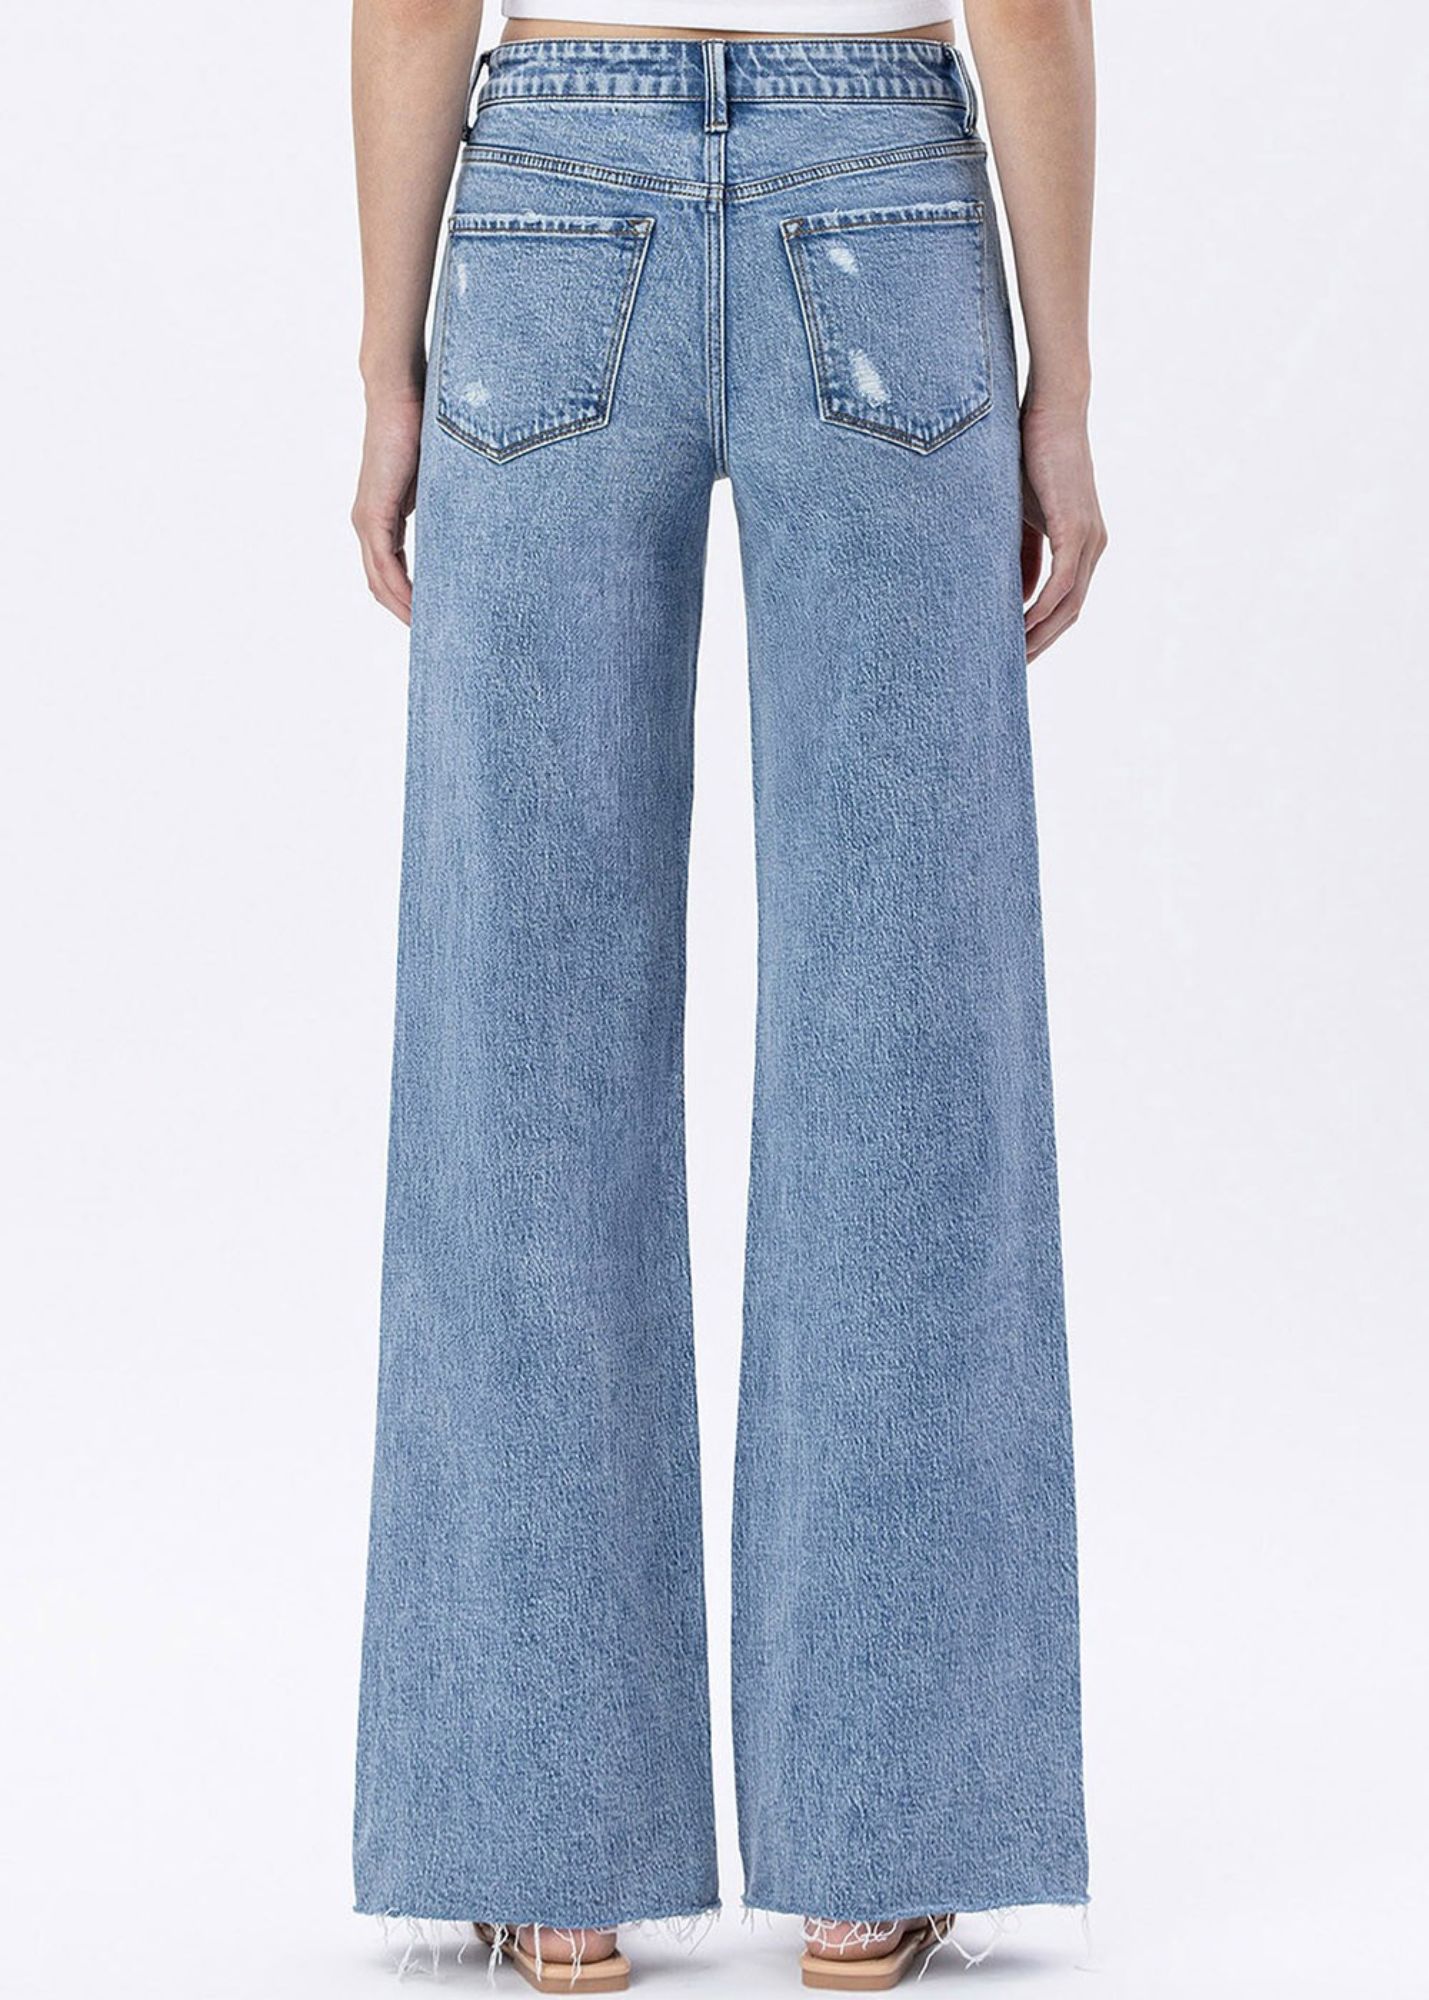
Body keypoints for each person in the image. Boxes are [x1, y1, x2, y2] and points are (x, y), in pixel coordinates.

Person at [350, 0, 1104, 1987]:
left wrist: (383, 369)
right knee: (908, 1037)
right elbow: (1023, 6)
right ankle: (883, 1830)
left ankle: (543, 1840)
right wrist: (1061, 385)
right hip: (885, 209)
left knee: (515, 1041)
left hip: (543, 208)